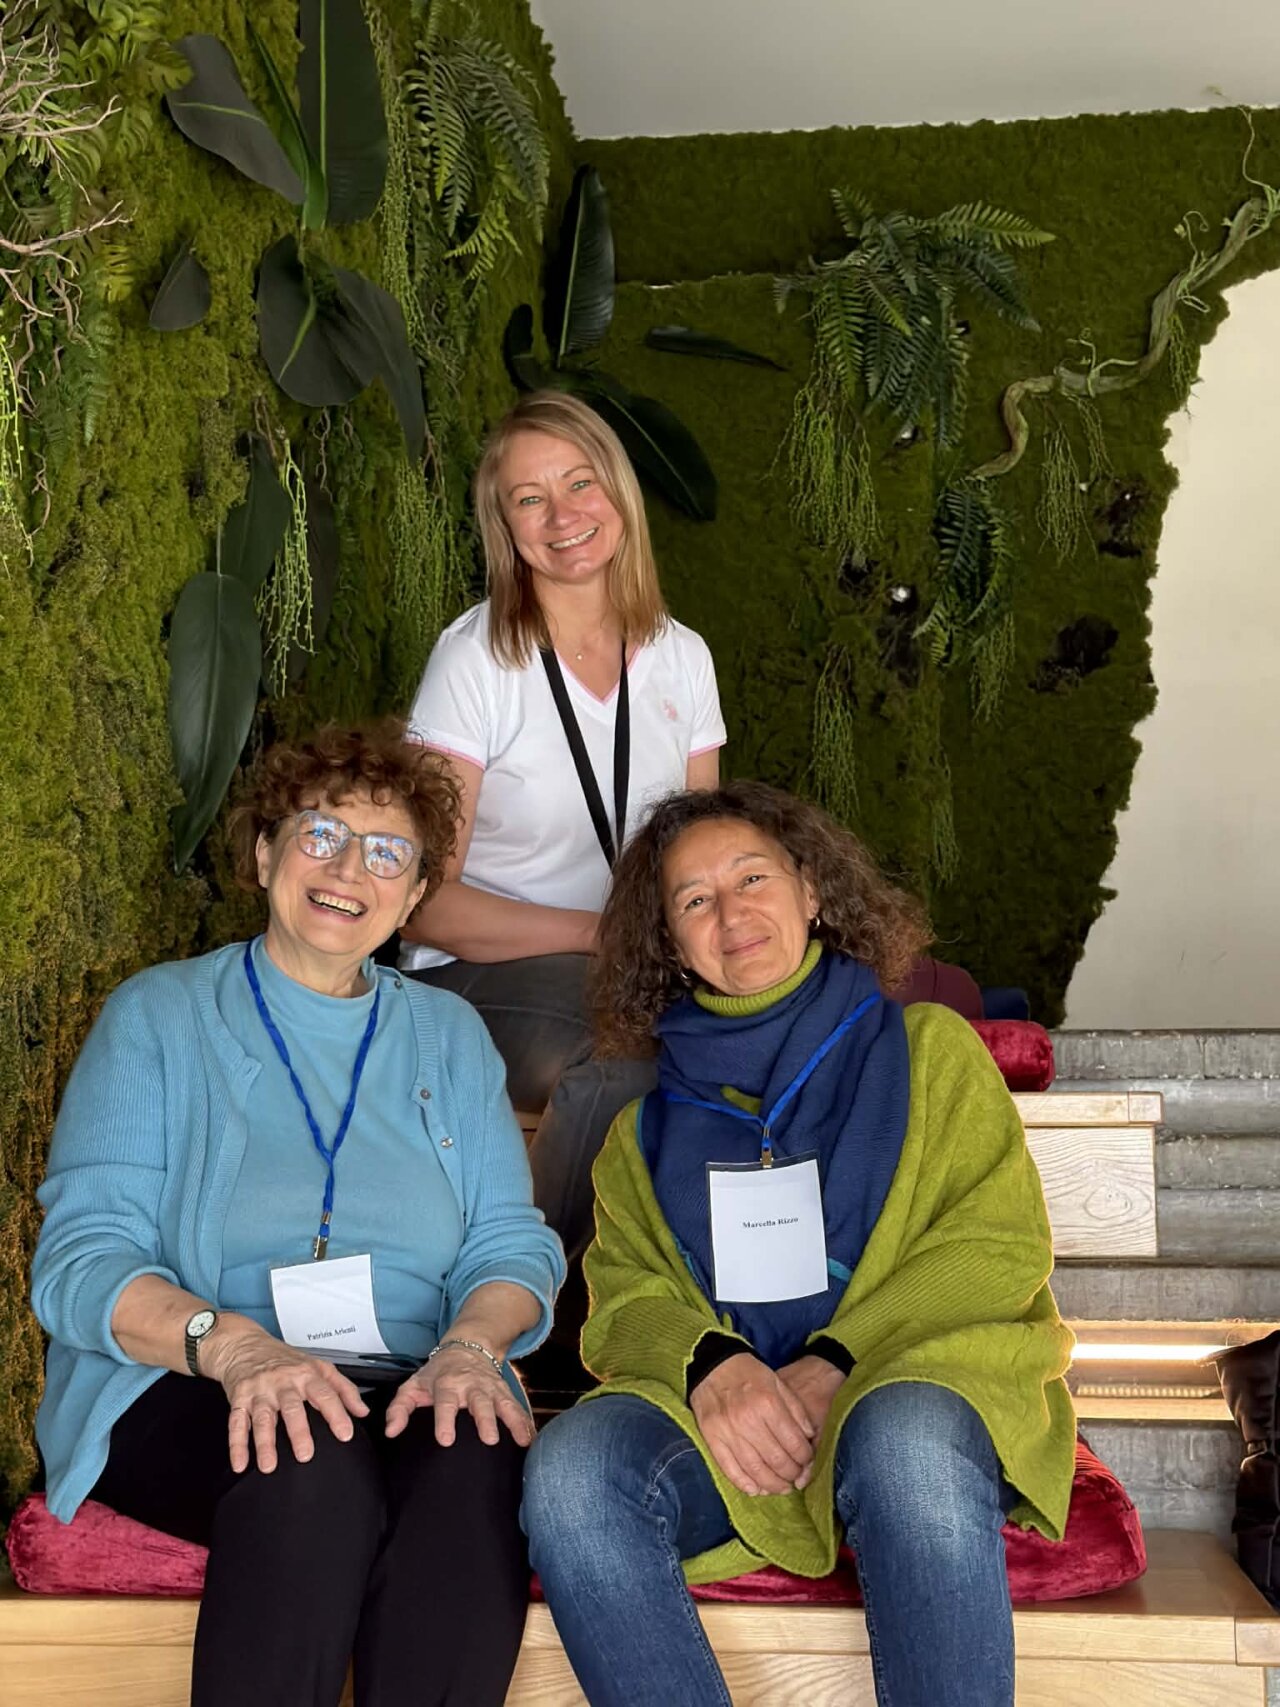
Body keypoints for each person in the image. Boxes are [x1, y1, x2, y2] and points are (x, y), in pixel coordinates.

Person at [31, 722, 564, 1707]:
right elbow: (82, 1259)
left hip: (403, 1379)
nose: (349, 869)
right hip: (186, 1377)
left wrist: (469, 1350)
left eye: (388, 852)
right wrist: (235, 1348)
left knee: (474, 1452)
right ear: (266, 853)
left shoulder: (447, 1034)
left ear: (413, 895)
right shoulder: (158, 1017)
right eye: (321, 834)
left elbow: (507, 1242)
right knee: (307, 1452)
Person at [521, 781, 1076, 1707]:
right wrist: (712, 1365)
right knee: (573, 1470)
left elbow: (993, 1247)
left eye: (753, 878)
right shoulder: (641, 1136)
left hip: (916, 1386)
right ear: (670, 941)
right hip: (737, 1433)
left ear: (811, 890)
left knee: (906, 1444)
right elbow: (624, 1304)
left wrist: (836, 1359)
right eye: (694, 899)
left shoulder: (931, 1053)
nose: (731, 913)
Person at [399, 391, 725, 1279]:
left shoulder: (683, 657)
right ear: (505, 527)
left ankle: (727, 1305)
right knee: (624, 1052)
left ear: (618, 491)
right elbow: (420, 903)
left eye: (580, 483)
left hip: (631, 969)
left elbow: (697, 862)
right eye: (529, 499)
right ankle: (523, 1297)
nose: (563, 515)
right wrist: (597, 932)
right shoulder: (475, 660)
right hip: (474, 974)